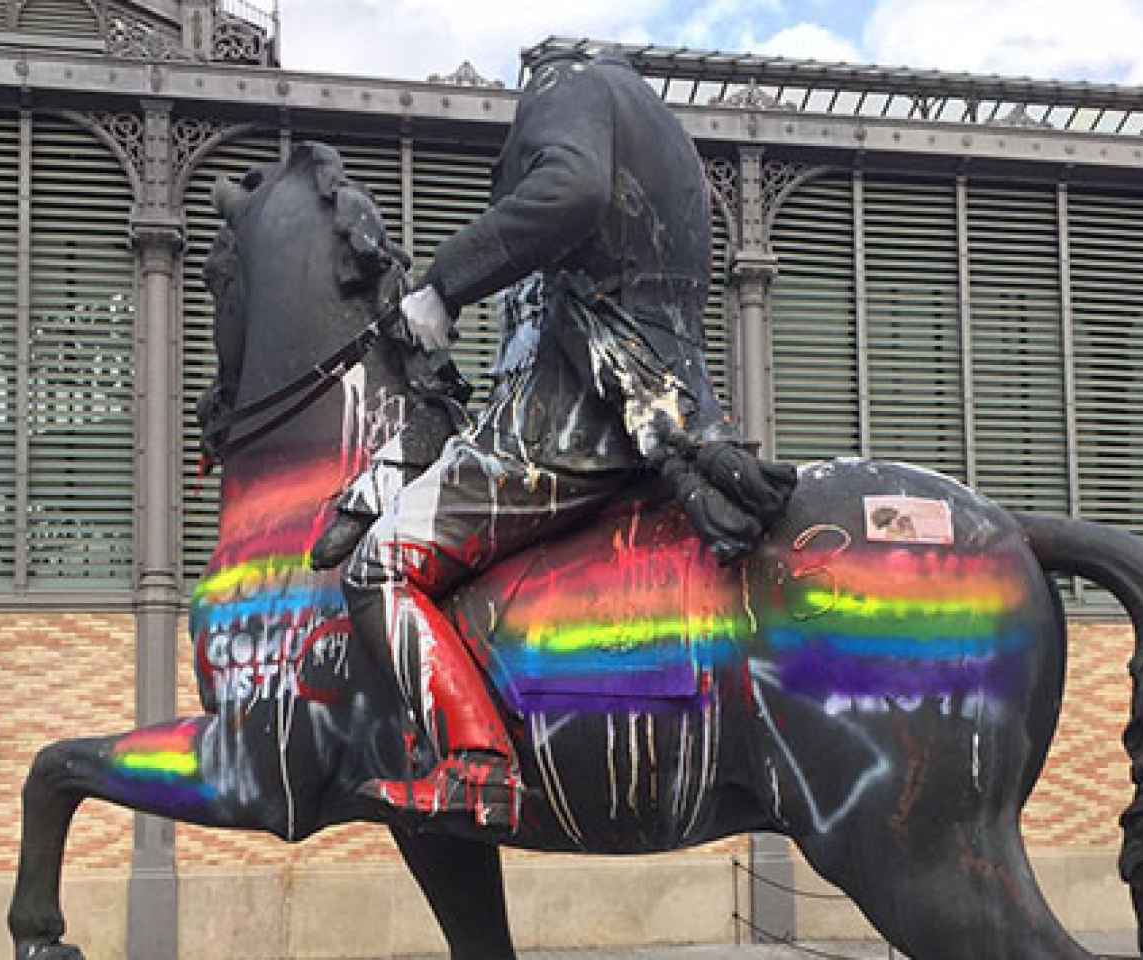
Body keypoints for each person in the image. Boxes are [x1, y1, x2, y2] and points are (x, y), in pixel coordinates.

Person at [314, 47, 793, 833]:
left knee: (379, 569)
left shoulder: (565, 87)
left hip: (564, 436)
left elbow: (569, 191)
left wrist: (444, 284)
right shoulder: (658, 128)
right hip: (635, 410)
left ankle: (478, 764)